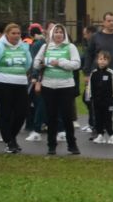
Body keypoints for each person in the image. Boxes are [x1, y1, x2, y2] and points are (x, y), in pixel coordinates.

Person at [0, 24, 34, 154]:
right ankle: (9, 141)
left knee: (22, 112)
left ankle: (11, 136)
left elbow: (28, 63)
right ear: (6, 34)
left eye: (18, 33)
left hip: (20, 83)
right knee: (6, 112)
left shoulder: (23, 47)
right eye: (13, 33)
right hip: (2, 83)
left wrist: (19, 72)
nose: (16, 36)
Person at [35, 23, 83, 156]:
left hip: (66, 86)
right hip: (48, 86)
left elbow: (76, 64)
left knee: (67, 117)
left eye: (61, 32)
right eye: (56, 32)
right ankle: (51, 145)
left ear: (65, 34)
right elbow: (36, 63)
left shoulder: (70, 47)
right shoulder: (45, 47)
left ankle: (72, 145)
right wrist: (43, 63)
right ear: (51, 34)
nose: (58, 34)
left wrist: (61, 63)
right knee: (51, 116)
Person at [86, 51, 113, 144]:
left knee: (108, 117)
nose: (102, 61)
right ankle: (100, 134)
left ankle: (111, 135)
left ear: (108, 61)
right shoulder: (94, 73)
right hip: (96, 100)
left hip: (108, 100)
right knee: (98, 117)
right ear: (97, 60)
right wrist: (90, 96)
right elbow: (90, 85)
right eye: (100, 59)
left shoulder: (110, 72)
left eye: (105, 59)